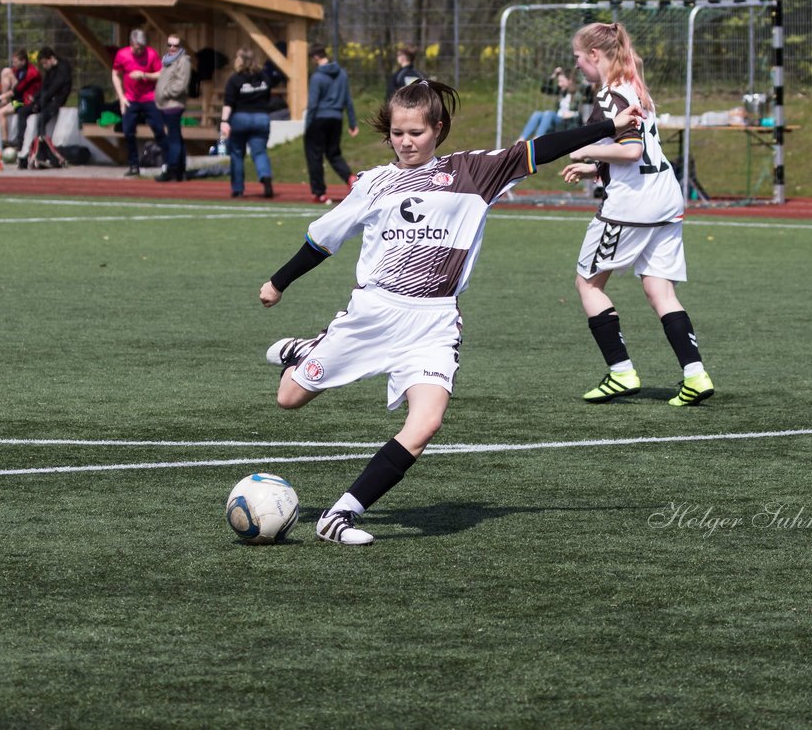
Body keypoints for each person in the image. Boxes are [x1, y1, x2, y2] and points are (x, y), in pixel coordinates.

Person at [258, 79, 640, 545]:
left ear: (438, 129)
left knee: (426, 424)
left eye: (416, 132)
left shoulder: (475, 172)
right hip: (373, 314)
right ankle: (306, 350)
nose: (405, 142)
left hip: (434, 322)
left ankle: (340, 515)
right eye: (398, 133)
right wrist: (279, 282)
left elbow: (542, 148)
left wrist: (609, 126)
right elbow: (323, 239)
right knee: (288, 399)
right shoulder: (375, 182)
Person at [559, 21, 715, 408]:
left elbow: (629, 152)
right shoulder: (636, 88)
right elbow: (642, 154)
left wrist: (585, 152)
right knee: (660, 289)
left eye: (579, 57)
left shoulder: (612, 95)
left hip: (632, 206)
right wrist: (596, 170)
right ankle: (695, 375)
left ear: (594, 55)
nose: (577, 65)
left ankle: (621, 372)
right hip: (665, 199)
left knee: (589, 284)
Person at [303, 42, 359, 204]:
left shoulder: (317, 76)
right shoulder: (342, 74)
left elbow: (313, 104)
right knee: (333, 153)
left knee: (314, 155)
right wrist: (352, 122)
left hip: (319, 118)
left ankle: (319, 193)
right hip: (336, 119)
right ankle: (350, 177)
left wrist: (307, 125)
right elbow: (348, 100)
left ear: (315, 57)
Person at [220, 47, 275, 198]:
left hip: (240, 118)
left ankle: (238, 189)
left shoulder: (235, 79)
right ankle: (265, 176)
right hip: (261, 118)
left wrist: (224, 121)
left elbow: (228, 103)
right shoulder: (264, 77)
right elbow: (268, 97)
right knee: (259, 152)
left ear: (240, 60)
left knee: (237, 153)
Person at [111, 28, 166, 177]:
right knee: (128, 131)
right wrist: (121, 97)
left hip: (149, 97)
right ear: (132, 44)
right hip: (131, 99)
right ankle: (133, 165)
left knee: (158, 129)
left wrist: (143, 75)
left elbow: (161, 74)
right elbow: (115, 74)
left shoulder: (151, 54)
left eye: (142, 47)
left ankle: (167, 162)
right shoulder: (122, 55)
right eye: (138, 47)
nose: (140, 50)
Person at [25, 46, 73, 169]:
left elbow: (55, 87)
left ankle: (43, 149)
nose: (44, 66)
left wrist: (42, 99)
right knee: (25, 111)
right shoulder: (50, 71)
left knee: (42, 117)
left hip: (57, 100)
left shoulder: (63, 68)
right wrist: (35, 98)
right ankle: (27, 146)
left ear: (52, 59)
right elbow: (45, 87)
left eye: (45, 63)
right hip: (47, 99)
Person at [154, 34, 193, 183]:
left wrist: (165, 92)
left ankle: (172, 169)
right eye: (169, 45)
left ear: (180, 47)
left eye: (175, 45)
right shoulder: (167, 61)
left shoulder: (183, 61)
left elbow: (181, 84)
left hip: (173, 105)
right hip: (164, 105)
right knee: (176, 138)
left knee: (173, 139)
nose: (171, 48)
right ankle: (180, 171)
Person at [516, 66, 590, 141]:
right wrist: (553, 75)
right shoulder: (561, 91)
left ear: (569, 80)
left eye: (561, 81)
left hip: (567, 123)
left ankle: (536, 140)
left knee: (549, 113)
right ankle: (520, 141)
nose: (559, 84)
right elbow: (545, 89)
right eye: (558, 81)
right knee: (537, 114)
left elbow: (583, 113)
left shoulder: (580, 93)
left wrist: (572, 114)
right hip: (557, 120)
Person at [0, 48, 41, 150]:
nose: (13, 64)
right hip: (18, 99)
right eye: (13, 62)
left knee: (7, 112)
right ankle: (5, 142)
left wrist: (1, 97)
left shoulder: (32, 73)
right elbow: (2, 84)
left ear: (23, 61)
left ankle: (14, 142)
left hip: (25, 101)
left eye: (15, 62)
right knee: (6, 72)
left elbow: (18, 89)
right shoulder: (17, 70)